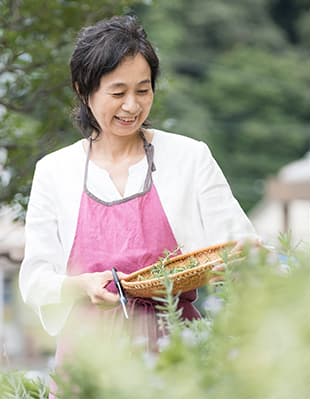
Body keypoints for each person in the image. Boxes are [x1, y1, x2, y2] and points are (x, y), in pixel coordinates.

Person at [19, 14, 258, 363]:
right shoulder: (54, 171)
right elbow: (35, 281)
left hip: (178, 352)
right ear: (83, 91)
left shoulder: (190, 157)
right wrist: (82, 285)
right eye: (118, 92)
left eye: (143, 90)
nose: (132, 106)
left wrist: (237, 263)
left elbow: (243, 246)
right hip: (88, 360)